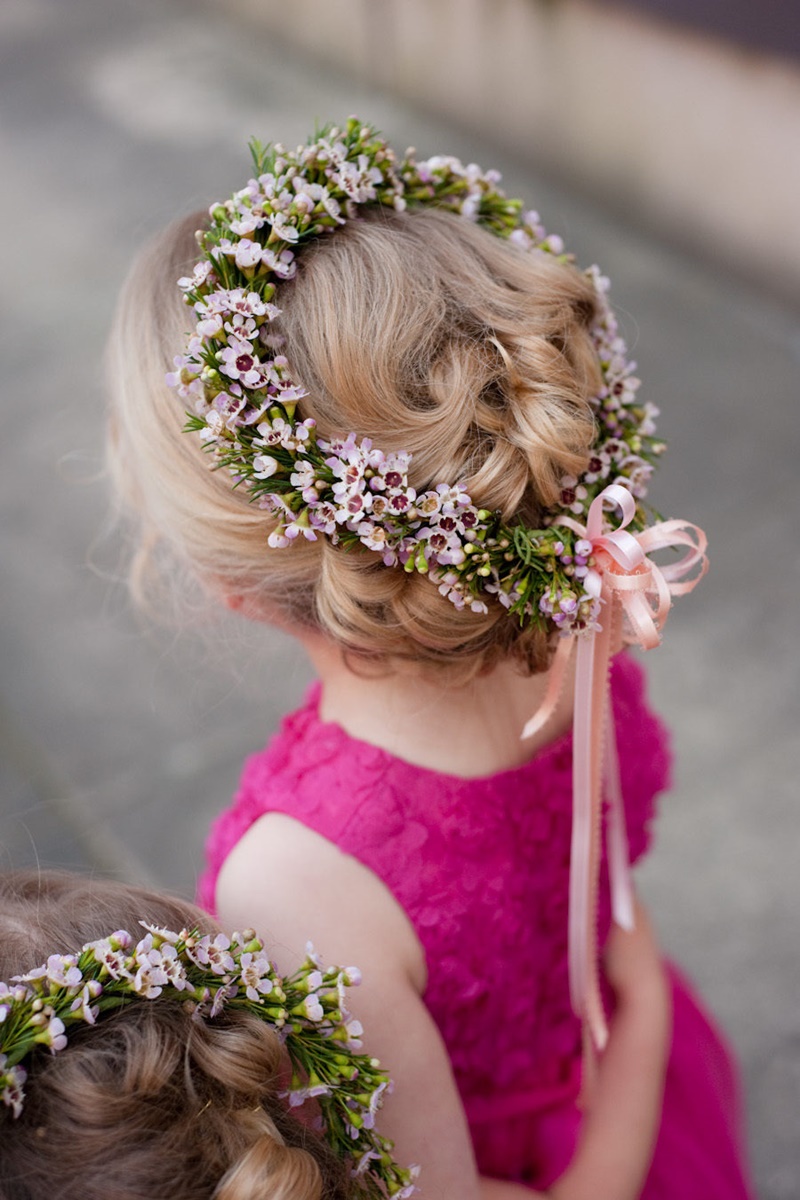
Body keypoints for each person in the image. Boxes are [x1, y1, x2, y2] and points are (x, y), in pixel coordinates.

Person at [106, 121, 754, 1198]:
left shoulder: (298, 885)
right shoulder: (570, 626)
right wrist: (637, 1017)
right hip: (630, 1052)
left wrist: (631, 1038)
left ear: (229, 579)